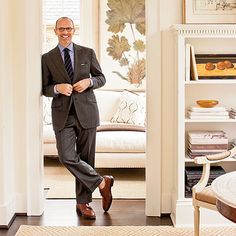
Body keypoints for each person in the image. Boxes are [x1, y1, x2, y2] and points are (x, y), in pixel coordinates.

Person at [42, 16, 114, 220]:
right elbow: (44, 88)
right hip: (62, 115)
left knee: (86, 158)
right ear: (55, 31)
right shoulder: (47, 58)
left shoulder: (87, 53)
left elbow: (101, 78)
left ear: (74, 30)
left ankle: (83, 204)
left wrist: (89, 82)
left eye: (69, 29)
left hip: (87, 113)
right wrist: (57, 88)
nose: (65, 32)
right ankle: (102, 182)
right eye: (61, 29)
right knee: (66, 156)